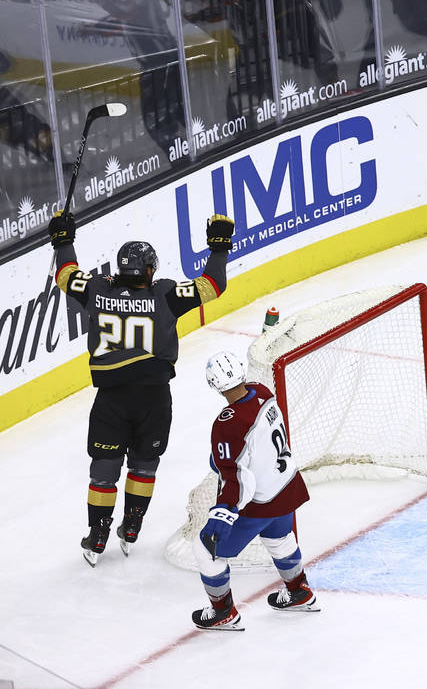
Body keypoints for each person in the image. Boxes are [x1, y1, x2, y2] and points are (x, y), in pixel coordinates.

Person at [48, 209, 234, 566]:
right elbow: (213, 285)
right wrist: (219, 246)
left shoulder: (98, 289)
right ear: (149, 271)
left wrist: (63, 239)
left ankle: (98, 533)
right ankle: (131, 527)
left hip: (111, 399)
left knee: (104, 466)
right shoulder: (164, 295)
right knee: (145, 463)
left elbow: (65, 275)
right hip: (153, 398)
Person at [191, 351, 317, 631]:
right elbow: (252, 446)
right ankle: (298, 591)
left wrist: (221, 516)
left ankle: (222, 611)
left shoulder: (226, 424)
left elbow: (236, 478)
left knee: (205, 550)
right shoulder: (262, 391)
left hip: (260, 501)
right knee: (280, 538)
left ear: (213, 384)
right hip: (286, 486)